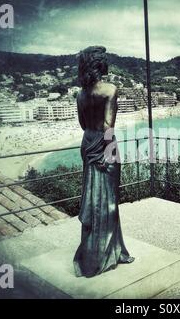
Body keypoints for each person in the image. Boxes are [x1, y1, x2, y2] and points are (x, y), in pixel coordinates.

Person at [73, 46, 134, 278]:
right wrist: (105, 153)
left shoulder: (80, 94)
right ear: (101, 64)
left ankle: (113, 251)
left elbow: (83, 123)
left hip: (87, 143)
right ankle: (103, 257)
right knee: (108, 201)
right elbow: (109, 125)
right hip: (105, 145)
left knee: (93, 199)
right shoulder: (109, 89)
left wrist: (93, 148)